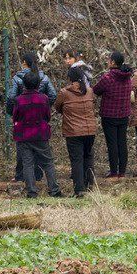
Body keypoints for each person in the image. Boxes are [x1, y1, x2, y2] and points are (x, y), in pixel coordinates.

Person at [7, 52, 57, 182]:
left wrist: (15, 111)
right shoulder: (43, 77)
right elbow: (52, 95)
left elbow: (11, 97)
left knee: (23, 151)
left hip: (23, 119)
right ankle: (38, 175)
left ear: (24, 62)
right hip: (40, 119)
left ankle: (20, 176)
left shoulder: (18, 78)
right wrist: (44, 106)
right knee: (41, 151)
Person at [11, 72, 62, 198]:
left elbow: (15, 117)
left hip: (24, 135)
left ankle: (32, 191)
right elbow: (47, 116)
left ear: (24, 85)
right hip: (40, 133)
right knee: (48, 162)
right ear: (38, 84)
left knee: (27, 163)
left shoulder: (19, 100)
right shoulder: (44, 98)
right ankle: (54, 190)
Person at [55, 65, 97, 196]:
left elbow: (57, 107)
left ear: (70, 78)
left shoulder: (64, 92)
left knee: (76, 160)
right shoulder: (89, 91)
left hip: (73, 131)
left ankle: (79, 190)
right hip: (90, 130)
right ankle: (90, 185)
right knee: (88, 157)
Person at [93, 51, 134, 178]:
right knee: (122, 142)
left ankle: (113, 171)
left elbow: (96, 90)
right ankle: (122, 171)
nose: (107, 61)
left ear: (113, 62)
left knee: (112, 144)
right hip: (124, 114)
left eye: (109, 59)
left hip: (109, 115)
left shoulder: (108, 78)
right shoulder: (128, 77)